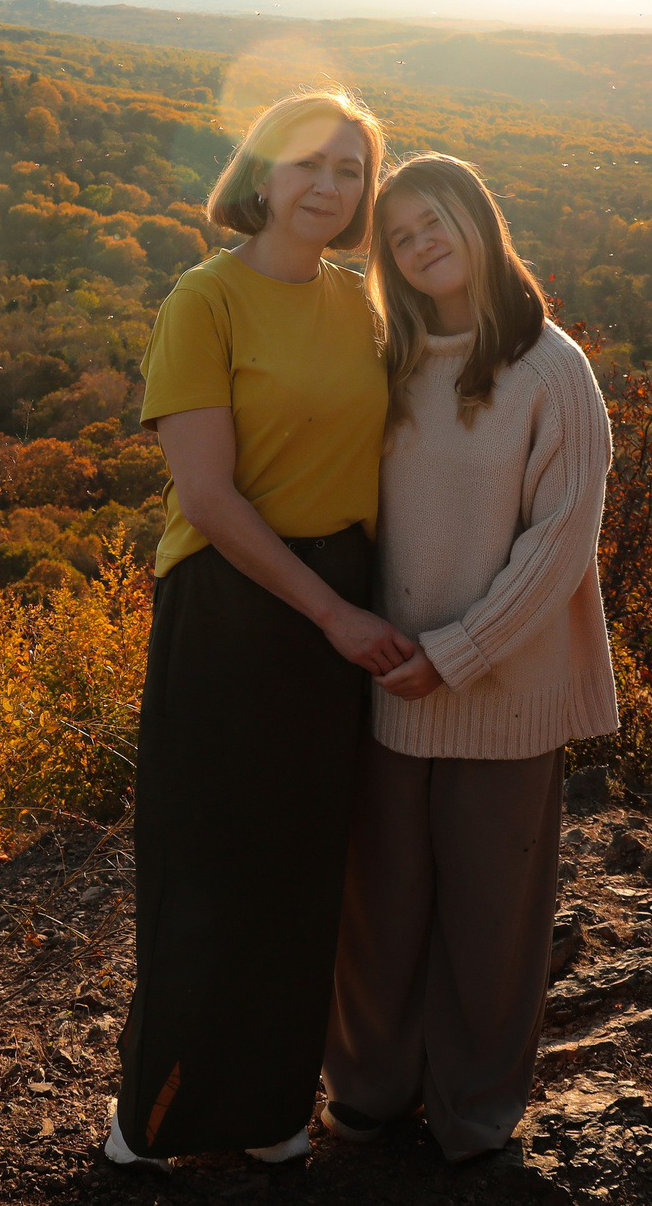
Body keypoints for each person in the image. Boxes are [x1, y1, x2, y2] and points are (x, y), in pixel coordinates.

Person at [105, 89, 413, 1169]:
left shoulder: (366, 304)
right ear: (261, 176)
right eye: (308, 165)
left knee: (301, 865)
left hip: (344, 599)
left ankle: (276, 1109)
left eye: (350, 172)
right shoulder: (206, 299)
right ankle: (155, 1122)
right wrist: (332, 613)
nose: (329, 188)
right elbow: (209, 499)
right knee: (206, 862)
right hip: (235, 604)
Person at [320, 152, 618, 1163]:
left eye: (434, 219)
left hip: (502, 691)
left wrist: (455, 653)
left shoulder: (552, 372)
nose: (418, 243)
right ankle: (367, 1093)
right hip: (391, 683)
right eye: (398, 236)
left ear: (479, 221)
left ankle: (473, 1114)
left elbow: (559, 544)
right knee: (380, 909)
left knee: (492, 923)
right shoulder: (391, 361)